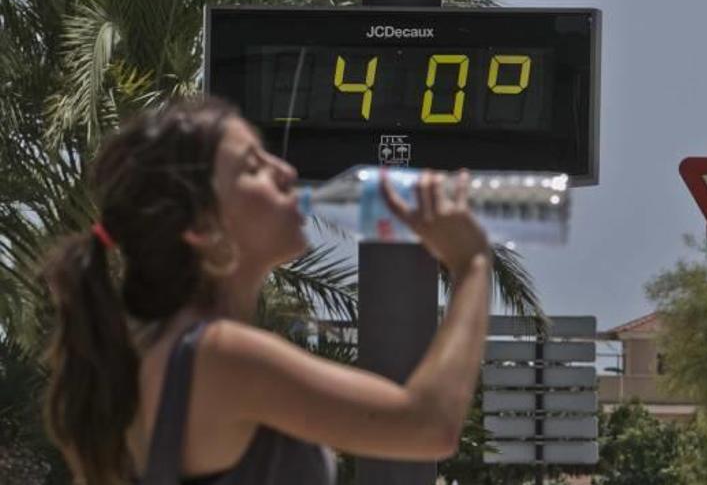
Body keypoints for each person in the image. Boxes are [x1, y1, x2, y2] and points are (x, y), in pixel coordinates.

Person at [40, 97, 491, 485]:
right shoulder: (223, 354)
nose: (286, 171)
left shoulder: (145, 351)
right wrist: (470, 263)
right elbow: (429, 425)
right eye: (253, 167)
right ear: (202, 226)